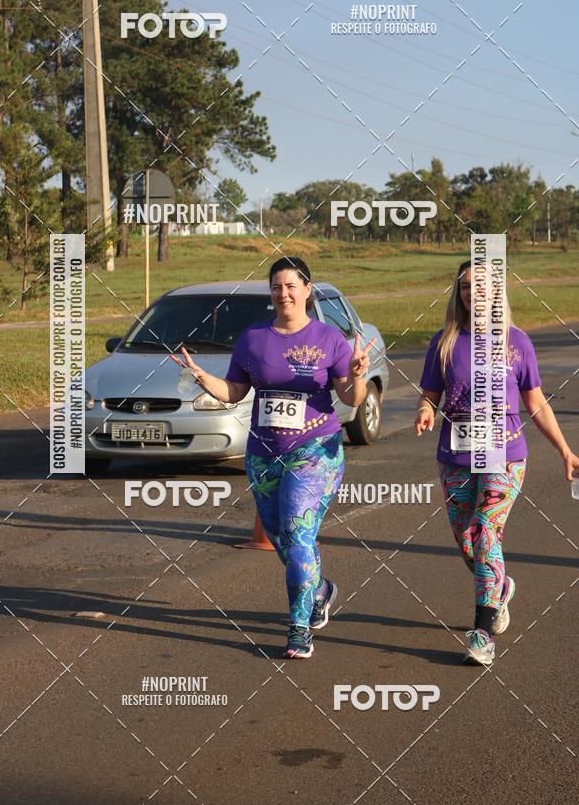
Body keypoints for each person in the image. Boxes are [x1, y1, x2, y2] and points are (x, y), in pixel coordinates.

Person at [173, 256, 375, 658]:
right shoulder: (253, 339)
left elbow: (351, 398)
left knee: (299, 533)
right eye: (276, 287)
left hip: (315, 451)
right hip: (263, 454)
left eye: (291, 286)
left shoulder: (328, 339)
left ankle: (298, 629)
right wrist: (203, 378)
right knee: (282, 537)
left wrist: (356, 374)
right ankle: (319, 590)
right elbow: (235, 391)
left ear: (306, 290)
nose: (283, 293)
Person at [415, 260, 579, 666]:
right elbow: (429, 394)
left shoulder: (516, 341)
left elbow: (536, 403)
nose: (475, 294)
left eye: (484, 287)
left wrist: (565, 450)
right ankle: (500, 588)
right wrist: (424, 410)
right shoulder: (445, 342)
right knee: (468, 541)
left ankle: (482, 633)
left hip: (505, 456)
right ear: (460, 293)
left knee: (485, 534)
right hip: (455, 456)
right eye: (468, 287)